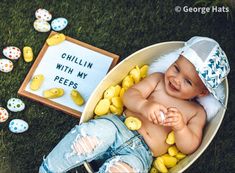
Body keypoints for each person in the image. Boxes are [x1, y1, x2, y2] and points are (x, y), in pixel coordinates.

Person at [39, 36, 230, 173]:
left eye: (188, 81)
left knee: (123, 170)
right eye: (176, 68)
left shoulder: (197, 113)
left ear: (203, 92)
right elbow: (130, 96)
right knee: (88, 136)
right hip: (118, 127)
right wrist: (144, 106)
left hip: (140, 154)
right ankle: (50, 169)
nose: (176, 79)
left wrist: (180, 127)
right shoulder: (157, 80)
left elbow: (190, 146)